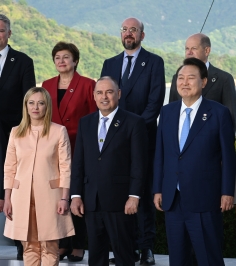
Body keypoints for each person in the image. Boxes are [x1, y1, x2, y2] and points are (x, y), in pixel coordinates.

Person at [153, 58, 236, 266]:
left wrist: (227, 192)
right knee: (178, 259)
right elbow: (160, 155)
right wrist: (157, 189)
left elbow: (228, 156)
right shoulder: (167, 112)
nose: (184, 82)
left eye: (191, 78)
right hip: (173, 198)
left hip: (205, 198)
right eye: (180, 78)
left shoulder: (218, 113)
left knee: (209, 257)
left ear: (204, 82)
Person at [100, 17, 165, 264]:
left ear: (142, 35)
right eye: (125, 30)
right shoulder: (110, 63)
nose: (129, 34)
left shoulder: (155, 62)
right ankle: (124, 249)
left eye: (133, 30)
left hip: (143, 139)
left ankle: (146, 248)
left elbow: (154, 103)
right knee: (119, 195)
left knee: (143, 194)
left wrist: (132, 130)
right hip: (114, 143)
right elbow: (104, 101)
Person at [70, 77, 148, 266]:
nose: (104, 97)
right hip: (91, 202)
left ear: (118, 94)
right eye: (99, 92)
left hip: (120, 202)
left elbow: (139, 163)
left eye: (109, 92)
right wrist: (76, 195)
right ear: (94, 96)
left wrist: (134, 196)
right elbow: (78, 162)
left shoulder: (133, 122)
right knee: (96, 257)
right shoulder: (85, 123)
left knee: (124, 255)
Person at [3, 87, 75, 265]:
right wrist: (7, 199)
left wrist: (65, 198)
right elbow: (9, 168)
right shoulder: (15, 132)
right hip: (21, 198)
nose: (36, 107)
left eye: (41, 103)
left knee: (50, 247)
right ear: (26, 106)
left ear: (47, 106)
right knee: (29, 247)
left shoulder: (59, 131)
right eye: (31, 103)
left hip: (51, 198)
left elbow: (66, 167)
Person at [41, 41, 97, 262]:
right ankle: (61, 243)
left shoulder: (87, 84)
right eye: (57, 58)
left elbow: (94, 119)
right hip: (52, 150)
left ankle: (78, 244)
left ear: (75, 60)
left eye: (66, 57)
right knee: (56, 196)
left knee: (76, 195)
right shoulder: (46, 84)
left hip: (78, 147)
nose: (61, 61)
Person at [0, 14, 36, 260]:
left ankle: (25, 247)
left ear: (9, 33)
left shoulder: (22, 61)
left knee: (17, 190)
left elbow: (29, 101)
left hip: (12, 135)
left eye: (1, 31)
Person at [169, 33, 236, 132]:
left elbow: (230, 117)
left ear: (207, 51)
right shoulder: (177, 77)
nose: (189, 52)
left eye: (194, 48)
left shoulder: (224, 78)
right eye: (187, 49)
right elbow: (172, 111)